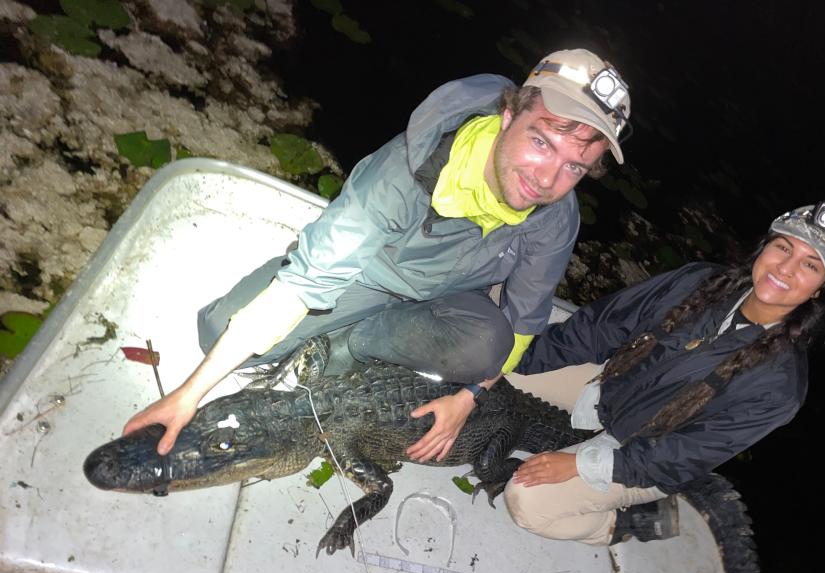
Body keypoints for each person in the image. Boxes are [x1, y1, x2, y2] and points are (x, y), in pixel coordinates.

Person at [122, 49, 633, 459]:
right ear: (507, 116)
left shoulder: (556, 215)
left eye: (574, 167)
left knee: (490, 344)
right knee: (216, 329)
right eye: (541, 143)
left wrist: (470, 398)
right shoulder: (403, 174)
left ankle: (352, 346)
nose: (547, 180)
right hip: (366, 276)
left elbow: (526, 321)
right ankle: (344, 329)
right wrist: (189, 395)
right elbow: (306, 283)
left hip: (448, 297)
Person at [503, 202, 825, 546]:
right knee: (497, 363)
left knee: (525, 501)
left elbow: (679, 455)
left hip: (646, 458)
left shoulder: (780, 388)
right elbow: (600, 328)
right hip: (606, 390)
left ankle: (627, 523)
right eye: (783, 247)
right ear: (763, 247)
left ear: (820, 291)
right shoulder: (699, 282)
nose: (785, 268)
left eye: (810, 265)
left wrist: (579, 463)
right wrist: (518, 359)